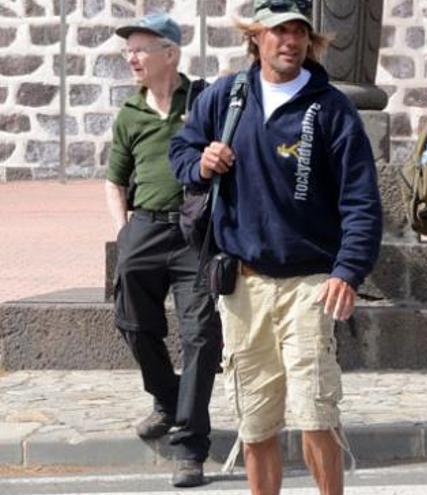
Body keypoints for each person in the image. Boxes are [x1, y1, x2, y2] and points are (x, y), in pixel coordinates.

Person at [168, 1, 382, 494]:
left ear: (311, 42)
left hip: (311, 284)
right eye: (277, 31)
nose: (289, 41)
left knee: (315, 417)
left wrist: (347, 271)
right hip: (242, 285)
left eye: (298, 33)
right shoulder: (227, 96)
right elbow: (179, 151)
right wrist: (202, 161)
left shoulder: (330, 107)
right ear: (255, 39)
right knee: (256, 425)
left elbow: (361, 199)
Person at [105, 13, 222, 488]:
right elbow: (114, 179)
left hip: (195, 234)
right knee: (132, 321)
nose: (131, 57)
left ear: (169, 54)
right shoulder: (129, 113)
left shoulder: (204, 101)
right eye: (128, 50)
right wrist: (123, 233)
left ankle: (190, 447)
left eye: (140, 49)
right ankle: (168, 398)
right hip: (145, 230)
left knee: (201, 336)